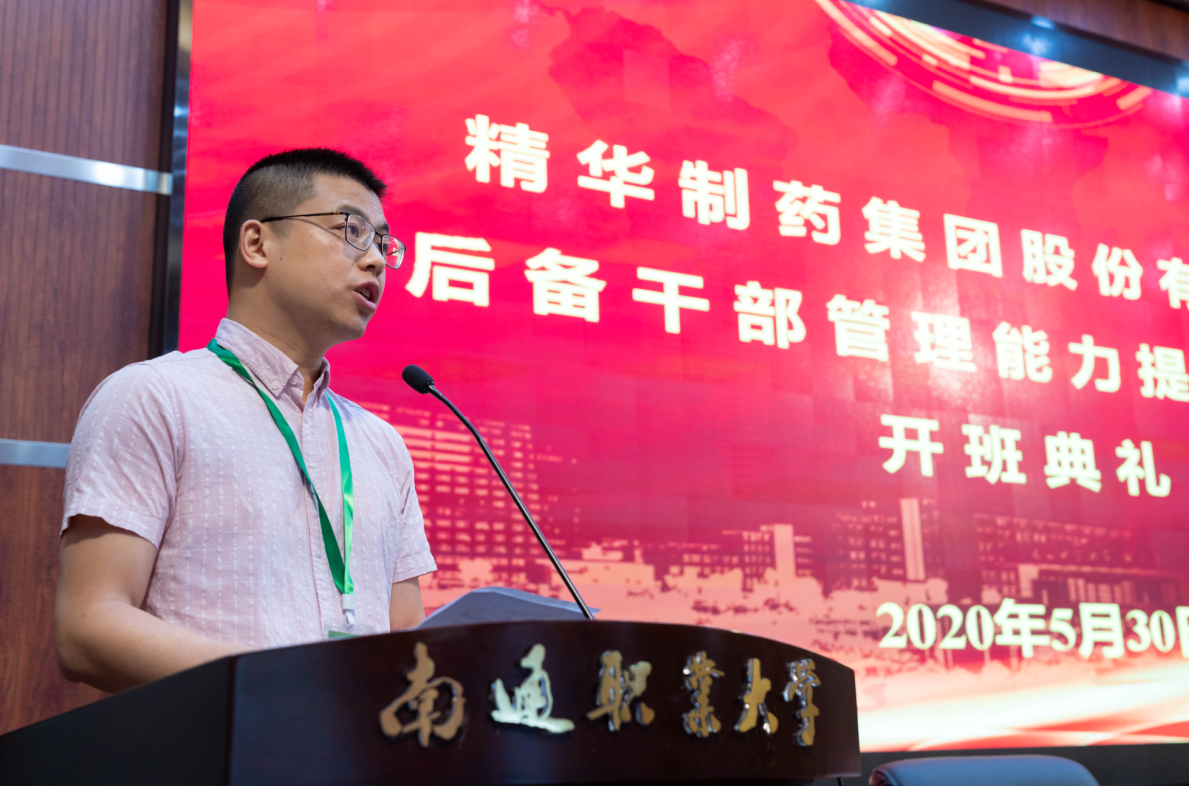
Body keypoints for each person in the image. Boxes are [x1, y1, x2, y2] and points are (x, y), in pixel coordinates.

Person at [54, 148, 434, 693]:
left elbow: (407, 642)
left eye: (382, 243)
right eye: (351, 231)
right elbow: (89, 626)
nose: (374, 259)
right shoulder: (154, 398)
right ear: (257, 243)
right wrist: (283, 689)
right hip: (216, 741)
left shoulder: (382, 446)